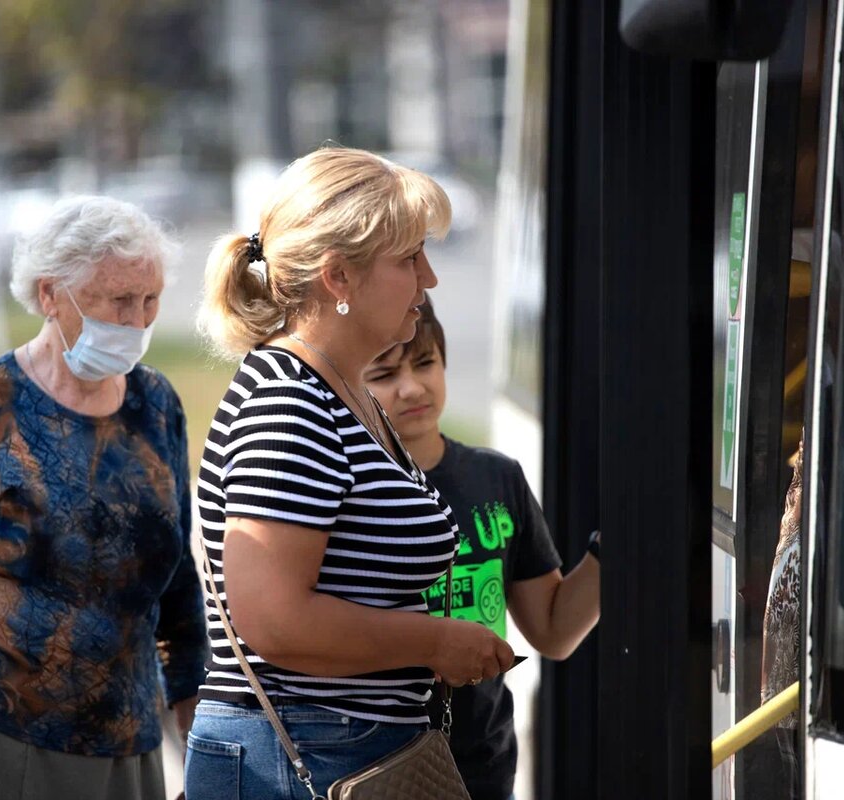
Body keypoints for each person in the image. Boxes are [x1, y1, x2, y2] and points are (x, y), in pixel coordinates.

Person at [186, 145, 515, 800]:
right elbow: (276, 622)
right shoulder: (290, 400)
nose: (430, 278)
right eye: (408, 259)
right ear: (338, 278)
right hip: (302, 759)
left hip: (337, 751)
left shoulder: (340, 389)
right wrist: (435, 642)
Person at [0, 196, 208, 800]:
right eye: (118, 301)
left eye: (150, 300)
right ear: (49, 296)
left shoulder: (155, 404)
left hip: (128, 741)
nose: (138, 321)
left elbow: (178, 586)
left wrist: (196, 725)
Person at [361, 295, 600, 799]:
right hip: (375, 765)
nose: (412, 387)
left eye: (426, 363)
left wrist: (616, 544)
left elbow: (554, 631)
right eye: (384, 375)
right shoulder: (349, 489)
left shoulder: (497, 478)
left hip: (484, 765)